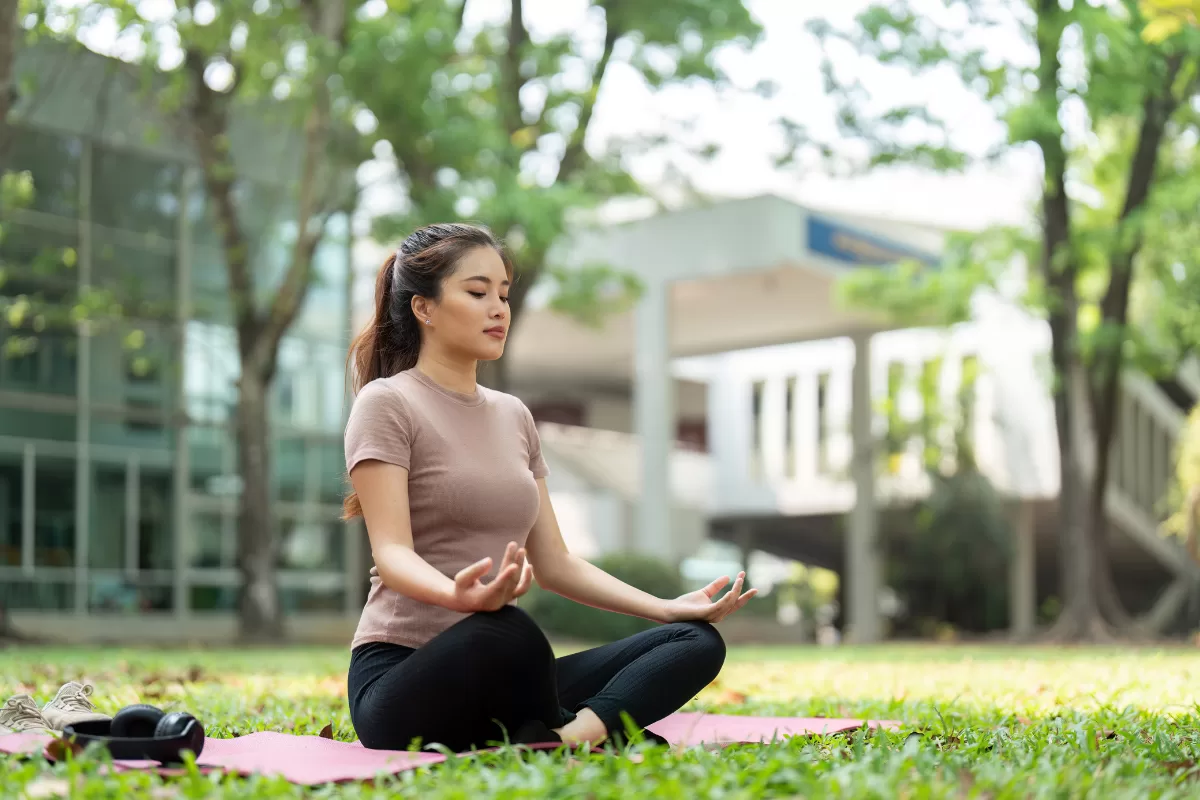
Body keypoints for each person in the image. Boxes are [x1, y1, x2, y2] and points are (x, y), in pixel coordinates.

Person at [343, 223, 757, 754]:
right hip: (402, 677)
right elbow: (392, 551)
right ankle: (587, 728)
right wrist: (457, 596)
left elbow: (557, 563)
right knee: (507, 631)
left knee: (694, 642)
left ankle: (568, 735)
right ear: (424, 307)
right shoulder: (387, 403)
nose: (498, 308)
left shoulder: (513, 415)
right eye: (477, 292)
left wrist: (666, 607)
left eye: (504, 294)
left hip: (505, 673)